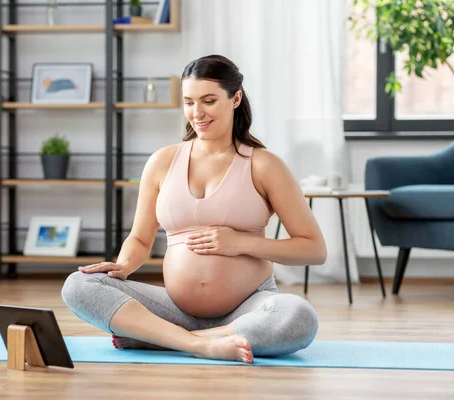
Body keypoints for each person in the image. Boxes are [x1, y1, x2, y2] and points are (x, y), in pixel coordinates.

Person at [62, 55, 326, 364]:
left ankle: (166, 340)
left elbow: (314, 249)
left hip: (248, 309)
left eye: (209, 101)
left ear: (235, 98)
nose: (196, 113)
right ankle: (198, 343)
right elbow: (140, 239)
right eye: (188, 102)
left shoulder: (264, 165)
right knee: (78, 285)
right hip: (174, 311)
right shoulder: (162, 161)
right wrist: (123, 265)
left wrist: (240, 243)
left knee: (299, 316)